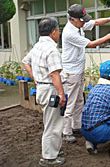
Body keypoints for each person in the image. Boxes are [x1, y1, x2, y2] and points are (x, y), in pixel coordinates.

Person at [62, 4, 110, 143]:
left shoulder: (79, 25)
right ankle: (66, 131)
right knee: (71, 101)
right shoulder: (69, 32)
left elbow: (94, 22)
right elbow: (91, 44)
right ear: (73, 19)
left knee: (79, 100)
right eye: (81, 19)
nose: (84, 22)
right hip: (72, 71)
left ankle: (76, 126)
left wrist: (109, 19)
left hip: (78, 69)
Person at [22, 17, 67, 166]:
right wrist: (61, 94)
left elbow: (25, 61)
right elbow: (54, 74)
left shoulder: (37, 46)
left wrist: (35, 76)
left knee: (51, 122)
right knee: (53, 125)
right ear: (53, 32)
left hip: (42, 88)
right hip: (51, 90)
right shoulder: (51, 50)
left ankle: (54, 150)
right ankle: (49, 158)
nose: (59, 34)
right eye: (58, 31)